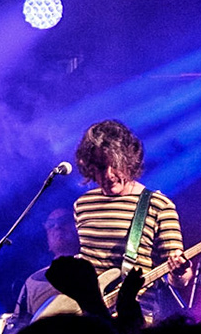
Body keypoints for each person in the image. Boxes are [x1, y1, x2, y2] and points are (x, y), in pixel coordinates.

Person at [46, 120, 190, 320]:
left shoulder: (158, 205)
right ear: (89, 167)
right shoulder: (83, 204)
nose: (109, 174)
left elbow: (180, 280)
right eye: (100, 167)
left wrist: (179, 270)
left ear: (129, 161)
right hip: (89, 319)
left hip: (136, 320)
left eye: (115, 165)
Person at [15, 206, 81, 321]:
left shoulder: (95, 268)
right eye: (51, 225)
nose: (57, 227)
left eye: (64, 221)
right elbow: (20, 324)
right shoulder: (32, 282)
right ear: (48, 241)